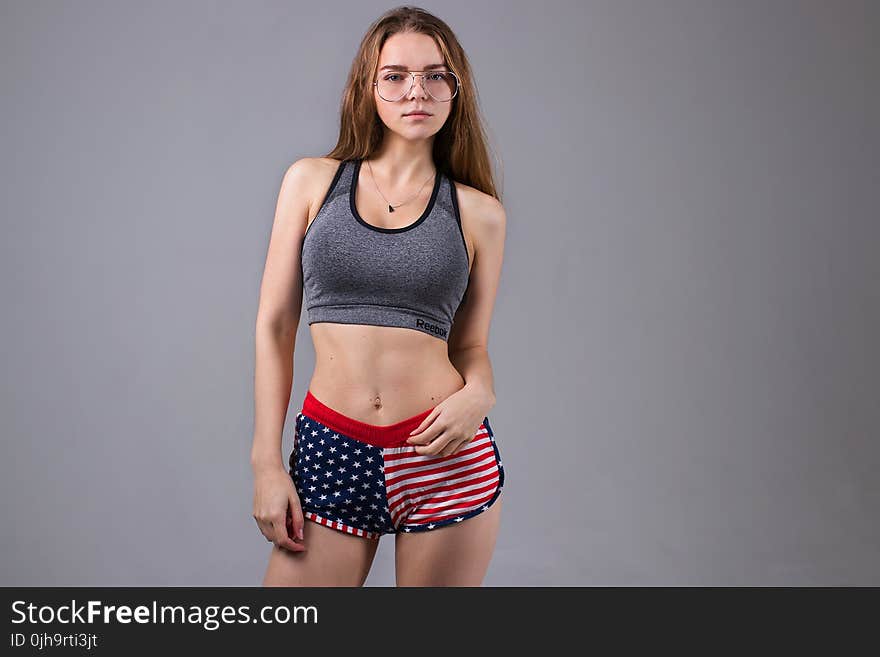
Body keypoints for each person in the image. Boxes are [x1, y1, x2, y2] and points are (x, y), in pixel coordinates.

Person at [252, 6, 507, 587]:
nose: (416, 90)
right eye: (395, 75)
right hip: (332, 449)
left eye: (436, 75)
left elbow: (471, 344)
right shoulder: (312, 181)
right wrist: (266, 460)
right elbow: (274, 326)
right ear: (368, 87)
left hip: (444, 454)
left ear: (455, 90)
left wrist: (481, 392)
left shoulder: (480, 214)